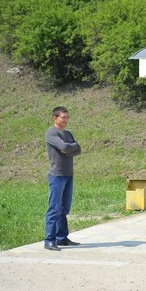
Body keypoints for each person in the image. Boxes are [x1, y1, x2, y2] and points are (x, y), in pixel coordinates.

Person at [44, 106, 82, 251]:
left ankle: (62, 238)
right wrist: (70, 148)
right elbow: (64, 147)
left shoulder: (68, 133)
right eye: (63, 117)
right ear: (55, 118)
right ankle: (49, 240)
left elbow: (78, 149)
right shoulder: (51, 132)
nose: (66, 120)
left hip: (68, 174)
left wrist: (70, 148)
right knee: (54, 209)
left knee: (64, 208)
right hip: (57, 175)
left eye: (67, 117)